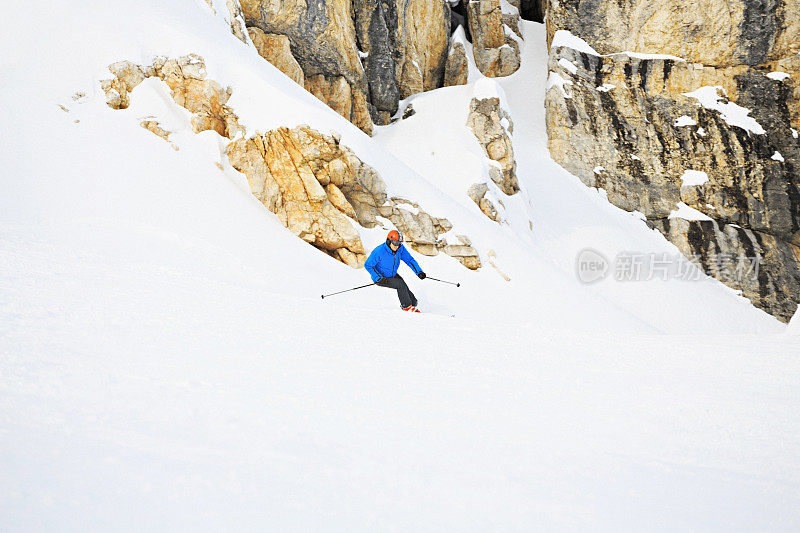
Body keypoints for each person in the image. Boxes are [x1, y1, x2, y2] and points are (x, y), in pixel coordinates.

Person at [364, 230, 426, 312]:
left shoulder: (400, 249)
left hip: (392, 274)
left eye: (399, 243)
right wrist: (378, 278)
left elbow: (410, 260)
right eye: (395, 243)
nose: (397, 246)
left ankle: (413, 303)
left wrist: (419, 272)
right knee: (400, 284)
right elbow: (368, 265)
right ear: (389, 241)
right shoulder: (379, 251)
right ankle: (406, 307)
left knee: (406, 289)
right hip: (381, 278)